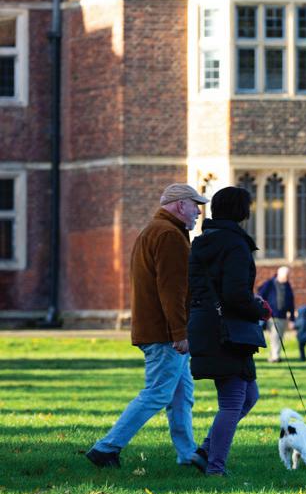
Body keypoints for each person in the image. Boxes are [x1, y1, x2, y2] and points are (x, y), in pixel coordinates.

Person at [86, 183, 208, 468]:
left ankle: (188, 454)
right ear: (180, 205)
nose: (198, 212)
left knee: (181, 395)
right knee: (158, 392)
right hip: (164, 333)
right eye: (195, 205)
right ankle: (106, 448)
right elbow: (172, 290)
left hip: (157, 329)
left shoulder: (155, 231)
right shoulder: (169, 235)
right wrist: (180, 332)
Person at [187, 186, 272, 476]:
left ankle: (205, 452)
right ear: (240, 210)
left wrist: (250, 301)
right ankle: (215, 468)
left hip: (208, 324)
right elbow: (235, 294)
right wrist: (258, 309)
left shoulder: (203, 241)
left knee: (249, 396)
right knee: (233, 401)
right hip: (226, 331)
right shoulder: (234, 244)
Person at [258, 266, 295, 363]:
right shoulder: (270, 283)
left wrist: (292, 318)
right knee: (275, 336)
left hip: (283, 316)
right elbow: (260, 295)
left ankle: (273, 355)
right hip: (272, 316)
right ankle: (275, 357)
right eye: (285, 276)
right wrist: (264, 309)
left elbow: (291, 302)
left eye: (288, 276)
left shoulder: (287, 286)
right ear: (279, 275)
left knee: (279, 337)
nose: (287, 278)